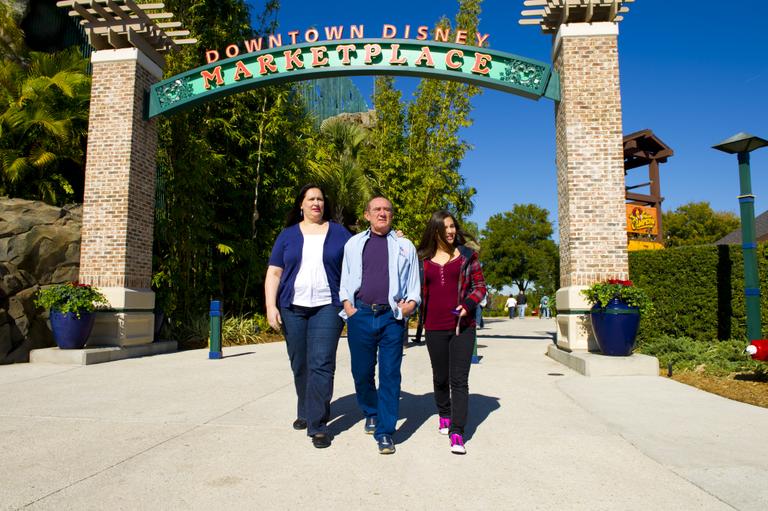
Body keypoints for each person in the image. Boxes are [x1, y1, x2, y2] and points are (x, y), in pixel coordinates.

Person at [264, 184, 351, 449]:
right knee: (300, 363)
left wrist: (392, 239)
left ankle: (318, 424)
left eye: (321, 199)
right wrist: (271, 306)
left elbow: (360, 255)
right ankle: (305, 409)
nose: (316, 203)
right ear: (301, 204)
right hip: (292, 307)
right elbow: (274, 273)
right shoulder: (288, 235)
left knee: (322, 363)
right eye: (311, 199)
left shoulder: (340, 233)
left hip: (327, 306)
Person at [339, 196, 420, 455]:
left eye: (387, 209)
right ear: (367, 215)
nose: (382, 213)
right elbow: (345, 278)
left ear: (392, 215)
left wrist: (409, 305)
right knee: (361, 372)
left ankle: (385, 432)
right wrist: (348, 307)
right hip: (360, 314)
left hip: (391, 318)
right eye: (377, 209)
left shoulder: (406, 246)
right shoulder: (353, 244)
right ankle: (371, 411)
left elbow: (414, 284)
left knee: (389, 374)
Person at [417, 210, 486, 455]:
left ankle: (458, 432)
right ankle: (444, 413)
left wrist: (467, 306)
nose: (451, 231)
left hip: (462, 328)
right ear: (435, 230)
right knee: (440, 377)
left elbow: (480, 287)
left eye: (453, 226)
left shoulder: (468, 256)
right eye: (445, 227)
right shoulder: (422, 259)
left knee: (459, 380)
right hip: (434, 327)